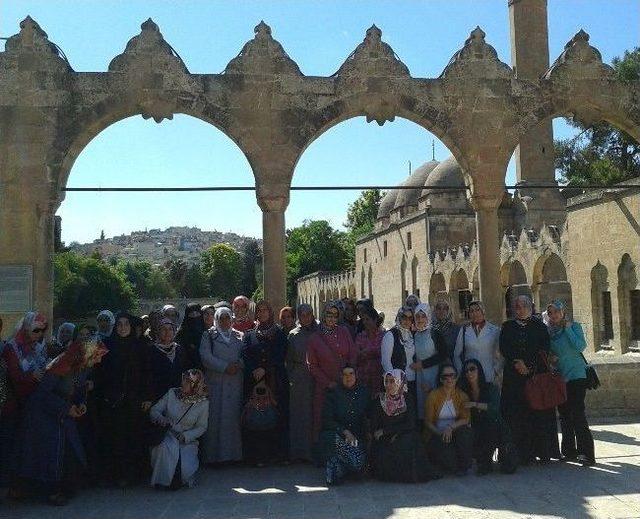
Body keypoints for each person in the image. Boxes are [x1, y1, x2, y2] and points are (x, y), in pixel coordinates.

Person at [19, 338, 108, 505]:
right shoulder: (61, 365)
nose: (99, 359)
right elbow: (42, 395)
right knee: (49, 456)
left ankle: (65, 488)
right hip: (44, 418)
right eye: (97, 355)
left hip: (62, 416)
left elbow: (79, 388)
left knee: (70, 453)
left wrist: (81, 403)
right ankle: (50, 492)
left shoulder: (83, 366)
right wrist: (66, 408)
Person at [500, 295, 561, 465]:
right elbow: (504, 347)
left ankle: (542, 452)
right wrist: (517, 363)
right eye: (517, 306)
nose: (520, 309)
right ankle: (518, 454)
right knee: (516, 415)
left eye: (523, 306)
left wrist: (529, 367)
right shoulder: (508, 326)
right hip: (514, 378)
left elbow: (544, 349)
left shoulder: (540, 327)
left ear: (530, 308)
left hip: (535, 377)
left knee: (538, 415)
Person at [93, 312, 151, 486]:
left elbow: (147, 374)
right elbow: (100, 372)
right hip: (113, 401)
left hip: (133, 400)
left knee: (132, 437)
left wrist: (147, 396)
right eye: (119, 324)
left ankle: (132, 475)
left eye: (126, 324)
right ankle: (114, 475)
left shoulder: (140, 346)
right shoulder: (107, 346)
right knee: (114, 437)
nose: (123, 327)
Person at [0, 312, 48, 496]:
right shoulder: (12, 347)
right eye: (36, 329)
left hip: (32, 402)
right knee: (12, 444)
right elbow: (13, 376)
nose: (38, 333)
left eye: (42, 330)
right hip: (14, 403)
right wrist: (31, 377)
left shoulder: (36, 345)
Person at [546, 300, 595, 466]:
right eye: (550, 313)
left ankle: (587, 453)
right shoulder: (551, 333)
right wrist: (551, 359)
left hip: (577, 376)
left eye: (556, 312)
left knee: (578, 414)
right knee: (565, 415)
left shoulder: (574, 327)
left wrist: (567, 329)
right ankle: (569, 451)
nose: (554, 315)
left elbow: (580, 346)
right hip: (561, 378)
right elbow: (551, 355)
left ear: (562, 312)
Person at [371, 369, 439, 482]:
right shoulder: (380, 400)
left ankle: (411, 476)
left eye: (392, 381)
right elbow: (375, 425)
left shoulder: (407, 398)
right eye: (386, 381)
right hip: (385, 438)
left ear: (400, 382)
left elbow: (411, 423)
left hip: (402, 434)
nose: (388, 385)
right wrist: (385, 433)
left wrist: (389, 431)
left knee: (409, 440)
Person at [242, 300, 289, 460]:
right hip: (254, 380)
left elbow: (280, 354)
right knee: (255, 415)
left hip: (275, 379)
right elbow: (245, 354)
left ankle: (277, 455)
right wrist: (254, 369)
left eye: (265, 310)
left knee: (275, 414)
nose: (262, 313)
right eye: (259, 311)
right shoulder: (250, 335)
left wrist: (265, 368)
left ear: (270, 313)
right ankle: (256, 456)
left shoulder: (279, 333)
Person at [149, 369, 209, 489]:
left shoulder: (202, 403)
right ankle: (161, 482)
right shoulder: (172, 393)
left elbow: (202, 427)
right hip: (168, 434)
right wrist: (161, 418)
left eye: (188, 382)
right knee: (165, 447)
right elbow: (154, 410)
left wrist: (186, 436)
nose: (183, 384)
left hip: (185, 440)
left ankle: (177, 481)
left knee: (185, 467)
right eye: (184, 380)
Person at [307, 302, 358, 441]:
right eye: (329, 314)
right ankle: (323, 455)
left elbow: (353, 353)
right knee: (322, 420)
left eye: (335, 315)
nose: (332, 318)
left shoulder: (344, 331)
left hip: (344, 385)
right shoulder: (314, 338)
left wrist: (349, 374)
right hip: (325, 388)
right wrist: (328, 383)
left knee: (344, 420)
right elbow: (312, 366)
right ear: (323, 315)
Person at [199, 307, 243, 465]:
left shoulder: (239, 336)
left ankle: (233, 455)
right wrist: (224, 366)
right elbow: (205, 356)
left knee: (232, 419)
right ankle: (214, 457)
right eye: (221, 318)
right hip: (216, 383)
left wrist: (239, 365)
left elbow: (245, 354)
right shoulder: (208, 335)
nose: (225, 321)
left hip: (235, 383)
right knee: (215, 420)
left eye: (227, 318)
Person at [319, 365, 369, 485]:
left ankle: (341, 467)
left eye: (351, 374)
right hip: (337, 437)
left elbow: (369, 415)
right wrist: (344, 431)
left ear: (356, 376)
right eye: (345, 375)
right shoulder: (333, 394)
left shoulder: (364, 392)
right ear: (341, 377)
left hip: (356, 439)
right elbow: (327, 420)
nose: (348, 377)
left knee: (357, 462)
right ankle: (337, 470)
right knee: (328, 438)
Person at [424, 362, 473, 476]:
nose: (449, 379)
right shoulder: (433, 396)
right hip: (437, 435)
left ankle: (464, 466)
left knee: (466, 432)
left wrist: (450, 428)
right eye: (445, 376)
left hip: (454, 432)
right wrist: (441, 433)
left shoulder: (462, 396)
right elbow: (428, 422)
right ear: (440, 379)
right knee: (450, 466)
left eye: (452, 375)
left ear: (456, 377)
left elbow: (466, 419)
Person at [457, 359, 502, 475]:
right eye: (466, 371)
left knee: (490, 427)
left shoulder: (490, 387)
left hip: (491, 425)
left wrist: (475, 404)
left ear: (479, 371)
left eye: (472, 369)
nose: (469, 372)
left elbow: (494, 408)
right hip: (473, 427)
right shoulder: (463, 392)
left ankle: (486, 463)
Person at [286, 304, 318, 462]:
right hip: (299, 378)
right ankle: (299, 453)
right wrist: (292, 377)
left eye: (308, 314)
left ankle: (315, 451)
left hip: (318, 376)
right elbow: (288, 359)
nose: (305, 317)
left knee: (316, 413)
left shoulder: (319, 331)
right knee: (300, 415)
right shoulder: (293, 334)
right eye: (302, 314)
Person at [410, 303, 448, 421]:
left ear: (428, 317)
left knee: (435, 404)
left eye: (423, 316)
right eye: (417, 316)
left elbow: (443, 354)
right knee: (422, 405)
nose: (420, 319)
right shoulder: (415, 334)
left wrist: (423, 364)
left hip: (434, 375)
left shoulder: (435, 332)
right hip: (420, 376)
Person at [453, 300, 502, 385]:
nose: (474, 313)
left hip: (489, 374)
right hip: (470, 375)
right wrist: (461, 370)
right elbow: (456, 354)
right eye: (471, 311)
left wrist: (496, 370)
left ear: (483, 311)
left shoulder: (494, 330)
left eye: (477, 310)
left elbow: (501, 353)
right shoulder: (464, 330)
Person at [148, 318, 191, 403]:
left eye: (170, 329)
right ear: (158, 332)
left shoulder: (179, 349)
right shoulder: (151, 351)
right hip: (158, 394)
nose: (167, 332)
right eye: (163, 329)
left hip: (178, 395)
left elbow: (185, 371)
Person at [381, 306, 417, 404]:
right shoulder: (391, 335)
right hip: (398, 383)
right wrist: (395, 383)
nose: (407, 321)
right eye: (404, 317)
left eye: (410, 318)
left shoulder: (413, 335)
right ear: (399, 317)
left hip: (413, 381)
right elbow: (386, 362)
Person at [354, 305, 385, 398]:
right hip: (363, 378)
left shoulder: (383, 336)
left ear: (375, 320)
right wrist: (372, 352)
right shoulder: (360, 336)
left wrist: (367, 352)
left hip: (379, 378)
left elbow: (384, 353)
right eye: (363, 320)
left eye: (367, 319)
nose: (365, 322)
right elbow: (356, 355)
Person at [175, 303, 205, 369]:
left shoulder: (206, 331)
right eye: (192, 314)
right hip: (187, 370)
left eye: (197, 313)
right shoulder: (181, 333)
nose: (195, 316)